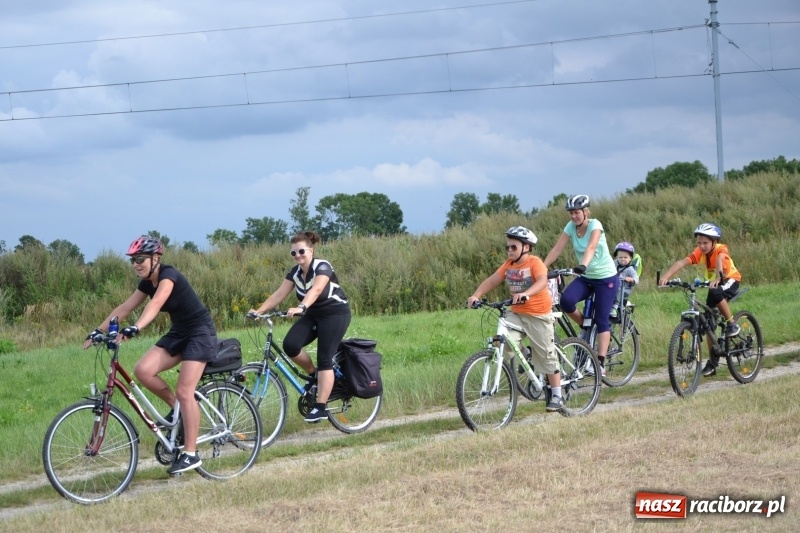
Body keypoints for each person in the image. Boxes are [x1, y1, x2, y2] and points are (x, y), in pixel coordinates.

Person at [83, 235, 217, 475]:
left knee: (185, 390)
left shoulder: (169, 275)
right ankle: (181, 411)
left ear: (156, 258)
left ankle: (191, 453)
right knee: (143, 370)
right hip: (179, 332)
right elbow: (124, 308)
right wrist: (97, 330)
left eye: (140, 259)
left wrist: (137, 327)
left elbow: (155, 305)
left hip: (200, 332)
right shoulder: (147, 282)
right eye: (133, 260)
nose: (136, 264)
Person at [249, 231, 351, 423]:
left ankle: (320, 407)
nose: (298, 256)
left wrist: (301, 306)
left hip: (335, 314)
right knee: (290, 345)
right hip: (313, 315)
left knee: (325, 358)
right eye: (293, 253)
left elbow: (317, 289)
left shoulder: (322, 266)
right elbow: (279, 294)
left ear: (310, 251)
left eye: (301, 251)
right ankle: (314, 376)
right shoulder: (295, 273)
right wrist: (259, 311)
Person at [466, 226, 564, 412]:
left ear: (526, 247)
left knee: (546, 354)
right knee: (503, 342)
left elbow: (542, 281)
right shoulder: (508, 266)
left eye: (513, 247)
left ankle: (557, 395)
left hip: (538, 314)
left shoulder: (535, 263)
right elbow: (493, 280)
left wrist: (526, 293)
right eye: (508, 247)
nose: (509, 251)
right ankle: (527, 356)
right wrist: (476, 295)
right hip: (517, 313)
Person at [543, 194, 619, 377]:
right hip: (586, 277)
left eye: (577, 212)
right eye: (571, 213)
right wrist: (542, 268)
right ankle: (587, 328)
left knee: (602, 320)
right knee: (566, 301)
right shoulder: (570, 227)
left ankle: (599, 363)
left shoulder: (595, 225)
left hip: (605, 278)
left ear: (586, 212)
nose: (573, 216)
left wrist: (583, 265)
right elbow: (557, 249)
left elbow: (591, 247)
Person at [659, 223, 742, 376]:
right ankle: (713, 361)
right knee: (709, 322)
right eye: (699, 243)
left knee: (716, 294)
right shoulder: (699, 253)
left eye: (705, 243)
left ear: (714, 242)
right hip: (714, 284)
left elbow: (720, 260)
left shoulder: (721, 249)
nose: (702, 246)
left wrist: (718, 276)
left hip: (729, 280)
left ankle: (732, 324)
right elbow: (682, 262)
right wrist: (666, 277)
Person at [610, 241, 639, 321]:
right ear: (617, 257)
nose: (623, 259)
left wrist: (631, 279)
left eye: (625, 257)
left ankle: (615, 307)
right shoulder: (613, 265)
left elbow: (636, 279)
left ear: (630, 258)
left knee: (618, 286)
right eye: (620, 257)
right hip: (612, 285)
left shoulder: (630, 269)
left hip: (624, 289)